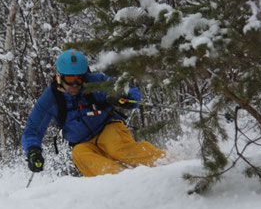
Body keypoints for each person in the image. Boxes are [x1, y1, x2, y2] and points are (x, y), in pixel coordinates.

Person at [22, 49, 166, 177]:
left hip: (107, 127)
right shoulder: (51, 98)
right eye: (70, 79)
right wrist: (33, 151)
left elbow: (128, 88)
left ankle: (166, 163)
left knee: (116, 148)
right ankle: (121, 180)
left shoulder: (95, 82)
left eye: (78, 79)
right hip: (82, 142)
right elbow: (32, 130)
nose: (74, 85)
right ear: (60, 77)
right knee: (79, 155)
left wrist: (126, 98)